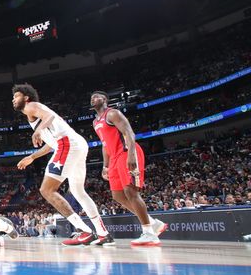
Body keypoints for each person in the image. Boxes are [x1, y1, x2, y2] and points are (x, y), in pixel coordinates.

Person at [12, 84, 113, 246]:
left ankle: (85, 231)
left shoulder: (32, 106)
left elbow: (49, 117)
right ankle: (103, 233)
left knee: (46, 190)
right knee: (79, 192)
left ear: (26, 97)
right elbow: (51, 144)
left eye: (16, 96)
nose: (13, 100)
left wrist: (38, 131)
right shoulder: (34, 114)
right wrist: (32, 156)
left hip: (67, 144)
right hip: (75, 144)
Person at [90, 91, 166, 246]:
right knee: (117, 195)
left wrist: (131, 154)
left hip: (126, 152)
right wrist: (105, 165)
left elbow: (129, 132)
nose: (93, 99)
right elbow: (105, 145)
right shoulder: (95, 122)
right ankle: (153, 223)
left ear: (105, 100)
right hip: (114, 158)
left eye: (97, 96)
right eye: (92, 98)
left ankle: (149, 233)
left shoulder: (112, 114)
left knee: (130, 191)